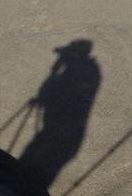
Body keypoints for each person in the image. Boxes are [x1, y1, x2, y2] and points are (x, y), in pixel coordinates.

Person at [18, 39, 101, 189]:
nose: (63, 58)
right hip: (58, 125)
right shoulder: (80, 70)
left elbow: (74, 96)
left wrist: (54, 74)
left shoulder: (87, 71)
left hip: (64, 128)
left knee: (41, 161)